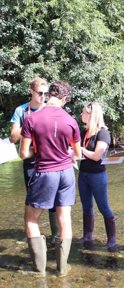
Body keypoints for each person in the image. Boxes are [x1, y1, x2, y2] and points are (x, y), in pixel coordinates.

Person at [19, 80, 81, 277]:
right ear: (63, 98)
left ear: (50, 94)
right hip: (66, 173)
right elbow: (77, 154)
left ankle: (39, 269)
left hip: (45, 172)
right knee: (65, 219)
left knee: (31, 219)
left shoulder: (32, 119)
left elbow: (23, 153)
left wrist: (37, 149)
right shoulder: (71, 120)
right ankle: (62, 269)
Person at [10, 77, 60, 245]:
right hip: (30, 161)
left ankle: (56, 236)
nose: (43, 97)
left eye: (46, 93)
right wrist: (30, 124)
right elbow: (13, 137)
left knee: (55, 199)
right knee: (32, 199)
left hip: (50, 159)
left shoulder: (50, 109)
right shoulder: (21, 111)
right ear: (31, 91)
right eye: (40, 93)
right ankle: (33, 236)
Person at [78, 102, 116, 252]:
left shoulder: (103, 133)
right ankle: (88, 236)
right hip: (83, 174)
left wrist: (80, 149)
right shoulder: (84, 132)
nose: (81, 115)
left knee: (103, 207)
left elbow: (97, 156)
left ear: (91, 115)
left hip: (97, 175)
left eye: (83, 112)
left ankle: (112, 241)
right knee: (86, 206)